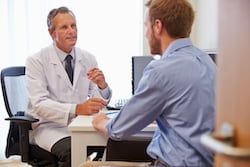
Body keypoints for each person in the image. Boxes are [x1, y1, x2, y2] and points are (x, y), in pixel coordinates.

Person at [89, 0, 216, 167]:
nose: (145, 33)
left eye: (145, 26)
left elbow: (119, 129)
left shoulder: (162, 69)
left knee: (88, 165)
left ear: (158, 26)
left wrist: (101, 121)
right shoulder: (208, 62)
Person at [25, 6, 112, 167]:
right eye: (64, 27)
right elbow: (39, 104)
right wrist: (76, 109)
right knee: (72, 151)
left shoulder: (88, 58)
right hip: (49, 127)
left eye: (73, 25)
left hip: (81, 124)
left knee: (111, 145)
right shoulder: (36, 61)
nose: (71, 31)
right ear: (52, 33)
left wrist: (102, 86)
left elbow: (96, 101)